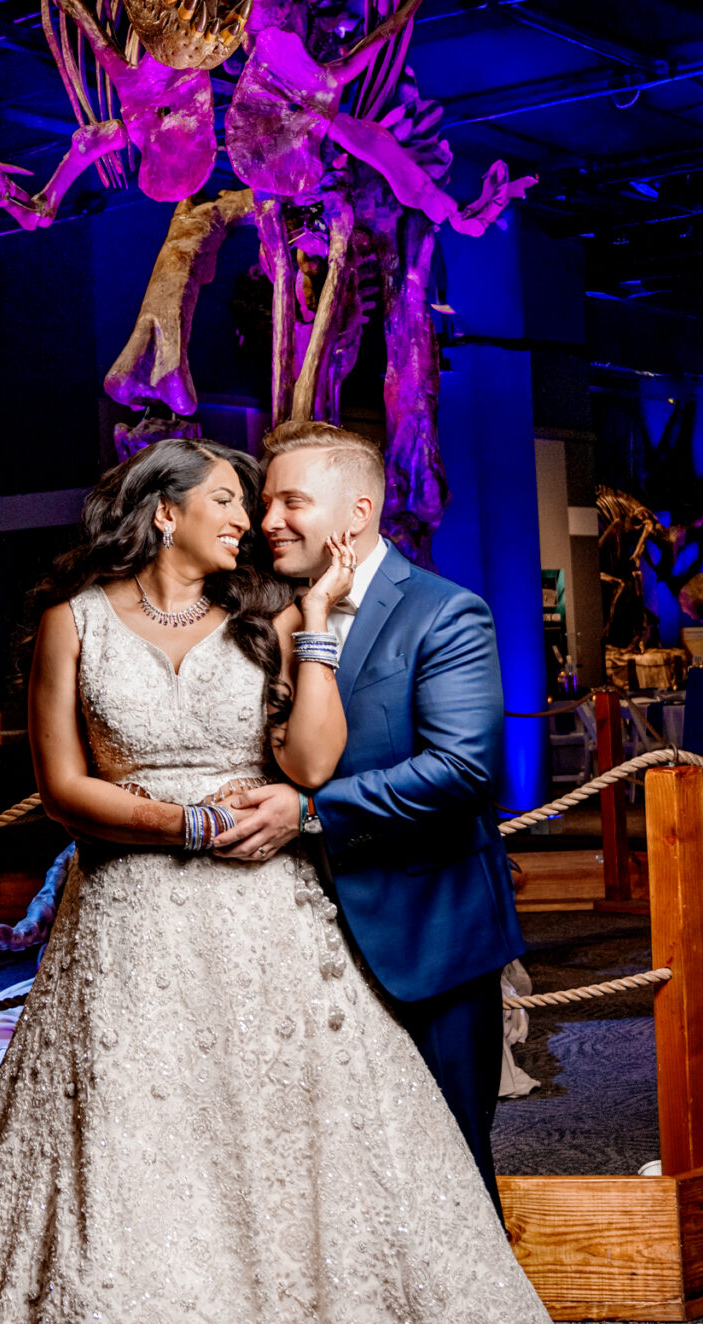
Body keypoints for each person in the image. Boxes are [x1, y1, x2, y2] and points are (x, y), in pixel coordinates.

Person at [0, 438, 572, 1324]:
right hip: (131, 925)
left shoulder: (276, 616)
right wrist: (182, 823)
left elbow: (308, 765)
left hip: (263, 918)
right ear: (162, 515)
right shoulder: (74, 619)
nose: (250, 521)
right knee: (131, 1169)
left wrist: (326, 642)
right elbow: (60, 786)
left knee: (288, 1163)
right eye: (229, 501)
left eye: (263, 501)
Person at [219, 421, 523, 1200]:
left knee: (449, 1170)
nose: (268, 521)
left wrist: (310, 813)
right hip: (294, 944)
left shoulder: (445, 613)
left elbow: (463, 769)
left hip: (427, 934)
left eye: (291, 501)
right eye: (264, 503)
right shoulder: (267, 617)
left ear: (356, 516)